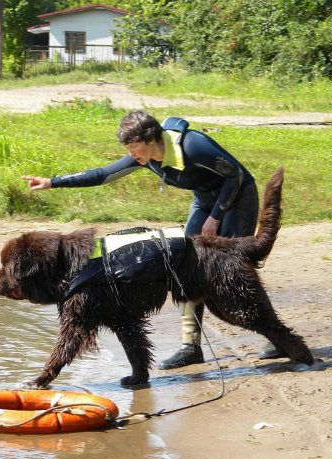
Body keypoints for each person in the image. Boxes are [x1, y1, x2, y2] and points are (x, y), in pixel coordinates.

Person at [21, 110, 281, 369]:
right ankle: (190, 347)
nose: (131, 152)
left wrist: (215, 216)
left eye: (133, 146)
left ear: (150, 138)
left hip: (236, 197)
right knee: (187, 265)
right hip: (204, 200)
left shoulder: (192, 145)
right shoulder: (144, 157)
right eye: (128, 147)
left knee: (234, 269)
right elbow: (103, 174)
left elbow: (234, 175)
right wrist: (51, 182)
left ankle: (277, 336)